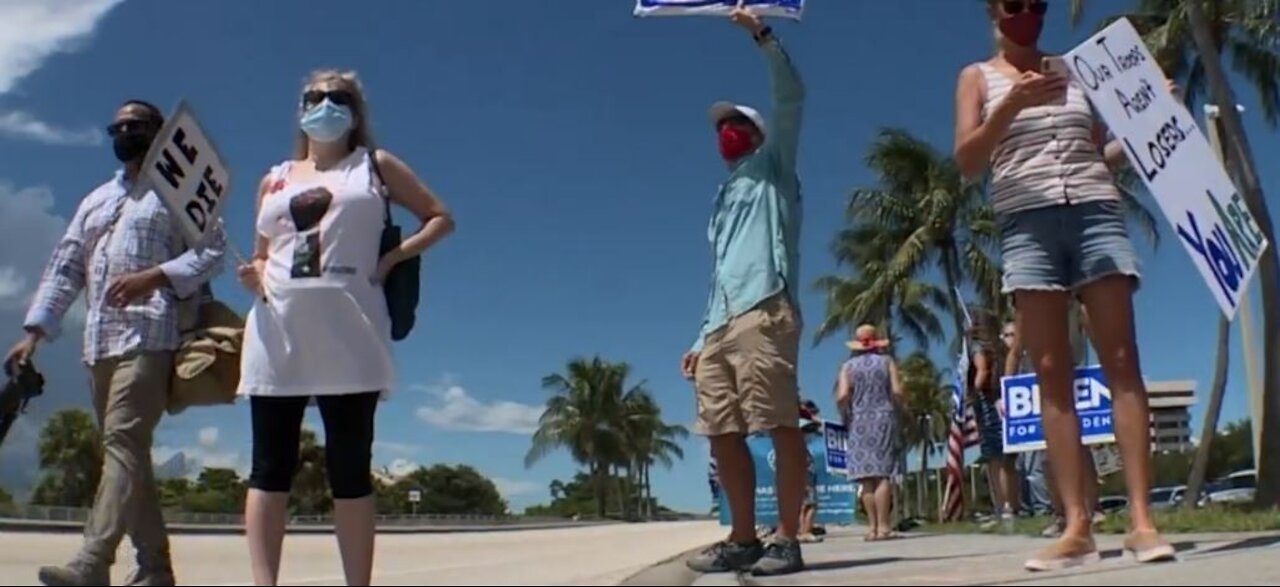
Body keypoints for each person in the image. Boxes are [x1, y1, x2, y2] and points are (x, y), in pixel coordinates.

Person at [954, 0, 1177, 570]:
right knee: (1051, 371)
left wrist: (1156, 116)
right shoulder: (976, 77)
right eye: (1013, 4)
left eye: (1036, 4)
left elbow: (1102, 153)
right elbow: (968, 159)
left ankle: (1142, 521)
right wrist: (1010, 109)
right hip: (1026, 223)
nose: (1025, 12)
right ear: (992, 11)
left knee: (1121, 360)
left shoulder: (1079, 71)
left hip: (1095, 211)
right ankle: (1077, 524)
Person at [235, 69, 455, 586]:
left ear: (356, 110)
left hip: (352, 332)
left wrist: (391, 260)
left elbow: (440, 216)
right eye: (315, 96)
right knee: (270, 465)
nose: (326, 104)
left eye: (340, 97)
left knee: (350, 468)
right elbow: (264, 253)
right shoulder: (275, 179)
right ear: (299, 108)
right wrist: (256, 273)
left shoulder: (375, 167)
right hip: (277, 330)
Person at [5, 99, 227, 586]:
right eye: (119, 126)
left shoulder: (177, 194)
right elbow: (65, 268)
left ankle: (93, 562)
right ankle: (156, 568)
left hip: (153, 332)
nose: (127, 132)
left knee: (122, 441)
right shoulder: (95, 200)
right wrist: (34, 333)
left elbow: (213, 253)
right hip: (97, 342)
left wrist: (157, 276)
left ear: (161, 133)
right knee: (128, 453)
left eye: (138, 125)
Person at [681, 5, 806, 577]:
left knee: (779, 423)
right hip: (721, 324)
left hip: (765, 310)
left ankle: (787, 537)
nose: (724, 131)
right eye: (719, 126)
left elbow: (790, 96)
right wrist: (702, 334)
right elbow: (722, 270)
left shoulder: (773, 168)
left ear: (756, 134)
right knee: (721, 432)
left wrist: (760, 34)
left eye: (734, 123)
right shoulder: (722, 197)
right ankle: (742, 537)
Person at [836, 324, 903, 542]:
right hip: (883, 417)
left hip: (859, 420)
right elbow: (897, 391)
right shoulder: (886, 362)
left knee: (865, 478)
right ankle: (885, 527)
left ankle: (872, 528)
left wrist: (845, 413)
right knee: (882, 474)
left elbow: (843, 395)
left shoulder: (847, 366)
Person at [969, 314, 1019, 529]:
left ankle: (1003, 506)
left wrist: (970, 395)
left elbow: (982, 371)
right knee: (1007, 459)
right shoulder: (1001, 348)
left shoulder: (978, 347)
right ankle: (1012, 505)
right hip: (1005, 400)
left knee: (995, 458)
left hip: (989, 402)